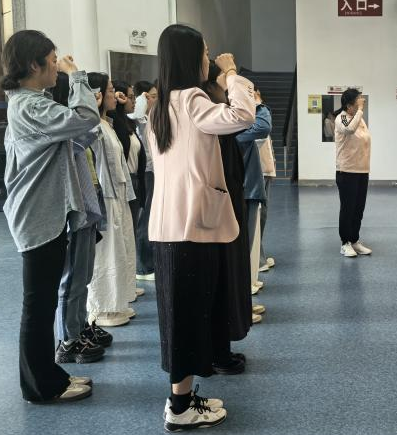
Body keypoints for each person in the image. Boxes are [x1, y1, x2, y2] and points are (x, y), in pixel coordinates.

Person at [148, 24, 255, 431]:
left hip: (169, 228)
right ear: (190, 57)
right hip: (192, 226)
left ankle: (183, 397)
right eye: (206, 53)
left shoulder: (160, 106)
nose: (209, 59)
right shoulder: (191, 99)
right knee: (189, 319)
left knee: (179, 318)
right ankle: (179, 408)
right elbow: (242, 115)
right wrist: (232, 75)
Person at [2, 30, 99, 403]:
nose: (58, 66)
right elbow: (85, 118)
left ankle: (48, 378)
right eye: (54, 60)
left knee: (42, 304)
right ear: (33, 64)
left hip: (43, 214)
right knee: (38, 305)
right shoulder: (30, 106)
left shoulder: (31, 103)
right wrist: (78, 77)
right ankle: (41, 386)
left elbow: (74, 135)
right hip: (37, 217)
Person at [49, 72, 110, 365]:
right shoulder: (61, 130)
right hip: (74, 214)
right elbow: (86, 124)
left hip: (86, 209)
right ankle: (67, 341)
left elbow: (89, 129)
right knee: (72, 279)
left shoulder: (70, 129)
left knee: (82, 278)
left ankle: (78, 326)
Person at [201, 61, 253, 375]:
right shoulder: (205, 110)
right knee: (220, 280)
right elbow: (248, 116)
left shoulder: (210, 112)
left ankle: (221, 347)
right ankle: (217, 351)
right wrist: (232, 74)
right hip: (218, 206)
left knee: (227, 277)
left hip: (226, 201)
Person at [86, 72, 138, 326]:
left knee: (121, 247)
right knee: (106, 251)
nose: (114, 96)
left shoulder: (107, 123)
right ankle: (102, 307)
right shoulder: (92, 125)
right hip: (105, 195)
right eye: (109, 91)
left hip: (118, 193)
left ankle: (117, 301)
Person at [110, 80, 147, 300]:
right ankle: (123, 287)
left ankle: (129, 284)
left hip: (135, 181)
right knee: (124, 235)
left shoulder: (129, 123)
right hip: (124, 182)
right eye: (130, 97)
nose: (133, 101)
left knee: (130, 234)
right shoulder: (115, 122)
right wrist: (117, 104)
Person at [235, 87, 272, 300]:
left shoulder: (240, 123)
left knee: (252, 236)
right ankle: (243, 288)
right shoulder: (233, 124)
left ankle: (248, 281)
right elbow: (263, 127)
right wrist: (257, 103)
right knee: (245, 240)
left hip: (250, 185)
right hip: (245, 187)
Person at [334, 89, 373, 257]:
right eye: (358, 100)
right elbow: (349, 129)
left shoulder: (359, 119)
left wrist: (359, 113)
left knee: (358, 208)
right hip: (347, 171)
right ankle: (345, 243)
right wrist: (360, 110)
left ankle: (354, 240)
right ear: (349, 105)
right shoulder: (341, 118)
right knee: (348, 208)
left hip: (362, 171)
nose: (361, 102)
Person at [130, 80, 157, 281]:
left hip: (154, 171)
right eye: (152, 96)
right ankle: (143, 267)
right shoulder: (138, 118)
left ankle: (148, 262)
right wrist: (141, 100)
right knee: (144, 219)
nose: (156, 100)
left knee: (150, 217)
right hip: (146, 172)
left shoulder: (150, 118)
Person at [256, 88, 276, 273]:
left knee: (262, 216)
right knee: (257, 217)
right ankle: (257, 260)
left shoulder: (260, 113)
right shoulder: (252, 113)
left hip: (266, 171)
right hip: (258, 172)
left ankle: (259, 256)